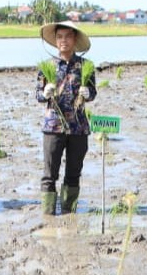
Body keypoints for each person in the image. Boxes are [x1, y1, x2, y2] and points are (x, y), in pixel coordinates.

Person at [36, 21, 97, 216]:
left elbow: (93, 92)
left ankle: (69, 214)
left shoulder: (85, 65)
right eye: (60, 37)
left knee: (73, 174)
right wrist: (45, 93)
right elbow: (37, 94)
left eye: (68, 36)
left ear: (75, 39)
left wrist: (88, 93)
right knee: (49, 175)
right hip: (53, 126)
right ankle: (48, 216)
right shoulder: (47, 66)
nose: (64, 40)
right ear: (55, 41)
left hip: (78, 128)